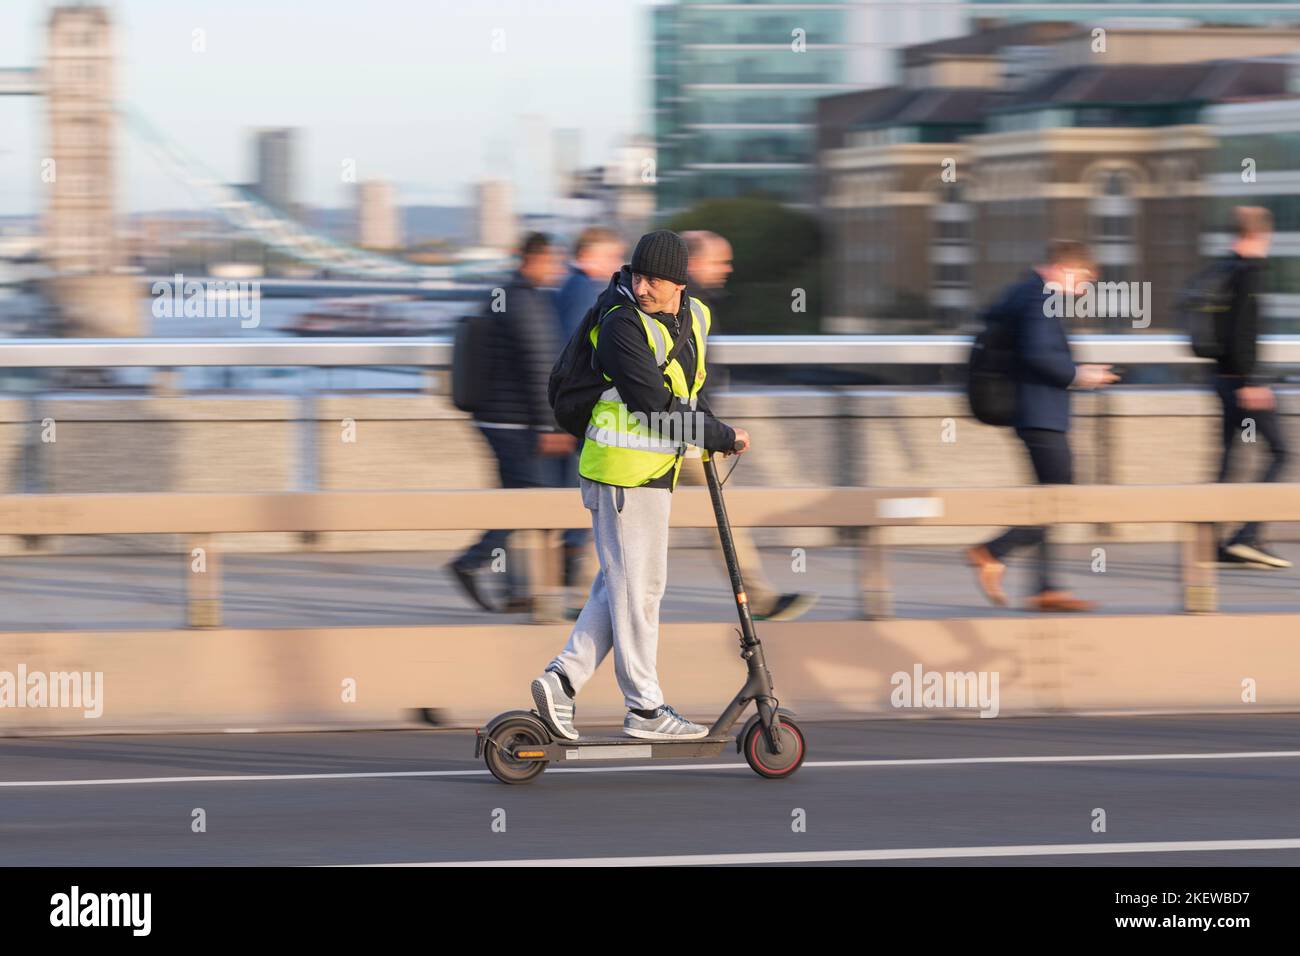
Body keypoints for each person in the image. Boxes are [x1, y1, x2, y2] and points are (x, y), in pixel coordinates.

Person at [529, 229, 750, 741]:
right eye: (638, 275)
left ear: (680, 284)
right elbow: (653, 406)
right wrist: (717, 435)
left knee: (619, 584)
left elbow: (688, 387)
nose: (644, 286)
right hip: (619, 472)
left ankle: (561, 680)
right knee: (640, 590)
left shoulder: (695, 316)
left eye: (655, 279)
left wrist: (713, 430)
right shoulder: (619, 323)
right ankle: (644, 708)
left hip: (655, 470)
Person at [966, 240, 1119, 612]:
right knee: (1059, 498)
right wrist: (1080, 375)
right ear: (1066, 270)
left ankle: (1046, 587)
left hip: (1033, 412)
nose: (1082, 290)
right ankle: (991, 551)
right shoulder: (1039, 296)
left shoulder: (1022, 292)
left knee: (1047, 498)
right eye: (1083, 281)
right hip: (1040, 415)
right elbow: (1037, 353)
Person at [678, 229, 816, 621]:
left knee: (637, 515)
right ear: (693, 263)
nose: (728, 269)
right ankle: (758, 598)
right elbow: (689, 376)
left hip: (684, 427)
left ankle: (576, 595)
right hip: (684, 430)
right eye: (719, 261)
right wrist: (712, 431)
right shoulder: (686, 306)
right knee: (722, 513)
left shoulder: (694, 302)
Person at [448, 232, 576, 613]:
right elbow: (541, 368)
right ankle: (473, 563)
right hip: (516, 423)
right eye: (553, 261)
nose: (556, 269)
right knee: (536, 503)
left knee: (517, 500)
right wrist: (552, 427)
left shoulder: (503, 296)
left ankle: (518, 588)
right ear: (534, 260)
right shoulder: (526, 302)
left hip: (494, 418)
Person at [549, 227, 627, 613]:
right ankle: (578, 591)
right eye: (612, 256)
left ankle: (574, 587)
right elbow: (580, 356)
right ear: (591, 255)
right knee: (593, 498)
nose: (617, 265)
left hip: (577, 411)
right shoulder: (584, 291)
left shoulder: (568, 286)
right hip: (589, 412)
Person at [1213, 206, 1290, 569]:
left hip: (1222, 380)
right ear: (1263, 234)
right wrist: (1252, 381)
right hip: (1244, 384)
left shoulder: (1225, 267)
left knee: (1229, 460)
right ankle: (1247, 536)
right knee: (1282, 453)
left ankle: (1212, 543)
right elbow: (1243, 331)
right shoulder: (1249, 272)